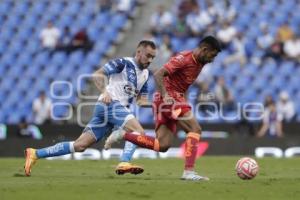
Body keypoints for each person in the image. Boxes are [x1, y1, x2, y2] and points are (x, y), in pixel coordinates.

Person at [24, 40, 156, 176]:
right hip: (110, 105)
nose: (150, 59)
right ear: (139, 52)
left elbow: (141, 101)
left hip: (112, 111)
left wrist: (157, 104)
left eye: (153, 57)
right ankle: (124, 162)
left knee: (79, 145)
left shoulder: (145, 75)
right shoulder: (123, 63)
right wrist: (105, 91)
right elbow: (97, 75)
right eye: (148, 55)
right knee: (138, 131)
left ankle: (35, 153)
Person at [105, 36, 221, 181]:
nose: (213, 59)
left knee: (163, 145)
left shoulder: (200, 62)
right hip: (168, 100)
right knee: (195, 129)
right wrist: (165, 96)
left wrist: (182, 100)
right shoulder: (184, 58)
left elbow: (183, 84)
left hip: (172, 101)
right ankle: (189, 172)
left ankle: (123, 135)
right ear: (205, 50)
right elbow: (158, 74)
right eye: (213, 55)